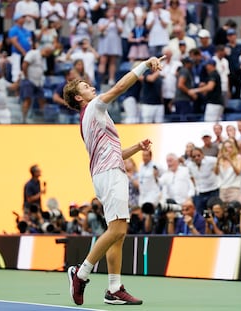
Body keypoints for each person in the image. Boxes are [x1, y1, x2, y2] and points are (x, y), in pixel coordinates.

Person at [63, 55, 165, 306]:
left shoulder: (91, 119)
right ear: (79, 97)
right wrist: (144, 64)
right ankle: (81, 272)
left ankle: (114, 288)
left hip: (107, 172)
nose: (91, 87)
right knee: (118, 229)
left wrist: (136, 148)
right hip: (110, 174)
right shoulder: (95, 107)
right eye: (85, 87)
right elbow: (120, 87)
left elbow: (113, 152)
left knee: (117, 234)